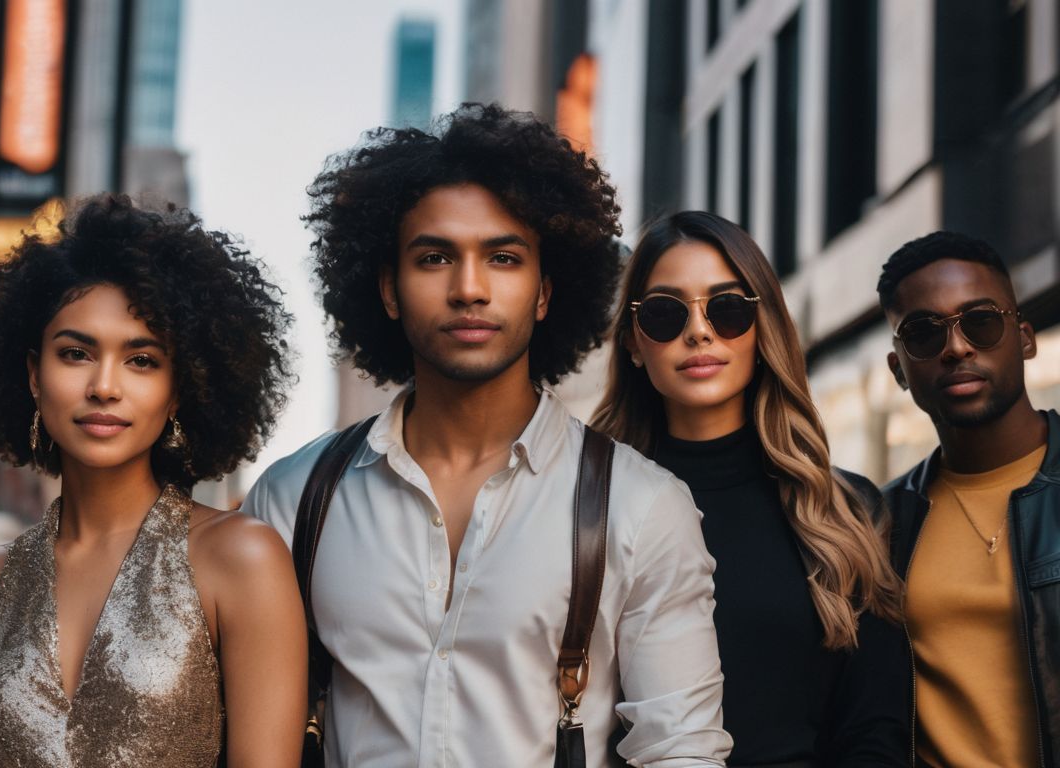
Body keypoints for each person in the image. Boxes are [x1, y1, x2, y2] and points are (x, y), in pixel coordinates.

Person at [243, 104, 731, 767]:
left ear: (544, 292)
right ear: (388, 289)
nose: (468, 288)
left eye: (502, 258)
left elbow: (682, 751)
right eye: (435, 256)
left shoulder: (642, 507)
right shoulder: (291, 501)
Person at [0, 194, 306, 768]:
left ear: (180, 387)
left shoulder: (241, 560)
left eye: (141, 360)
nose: (105, 386)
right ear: (34, 375)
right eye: (76, 353)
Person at [590, 211, 910, 765]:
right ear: (634, 344)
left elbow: (874, 734)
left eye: (728, 308)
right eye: (665, 313)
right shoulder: (586, 507)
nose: (699, 331)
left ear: (763, 330)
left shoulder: (845, 512)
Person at [877, 231, 1059, 766]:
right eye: (924, 333)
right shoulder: (881, 525)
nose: (957, 347)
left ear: (1023, 338)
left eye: (980, 321)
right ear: (898, 371)